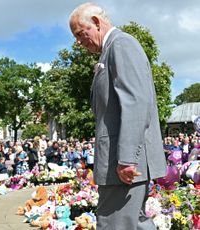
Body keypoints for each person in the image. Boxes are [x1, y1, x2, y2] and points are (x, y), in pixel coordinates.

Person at [69, 3, 167, 230]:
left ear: (96, 22)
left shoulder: (121, 45)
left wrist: (126, 159)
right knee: (134, 224)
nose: (78, 42)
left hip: (122, 165)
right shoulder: (111, 49)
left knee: (117, 225)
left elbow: (135, 103)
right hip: (120, 163)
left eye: (79, 34)